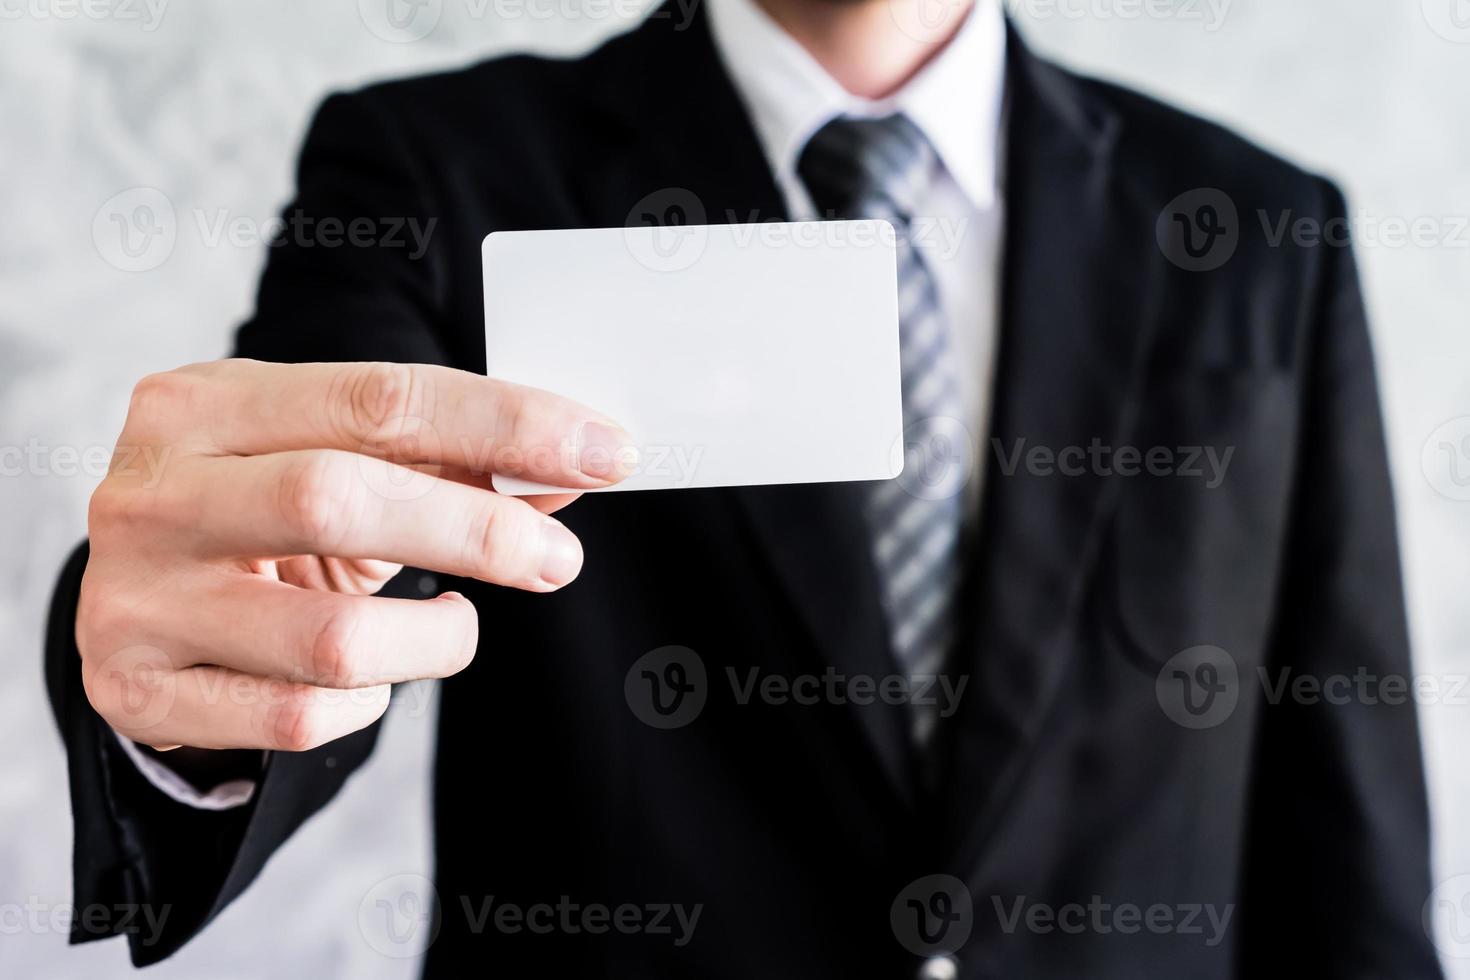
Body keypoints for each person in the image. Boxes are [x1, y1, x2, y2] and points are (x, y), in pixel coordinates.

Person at [46, 0, 1443, 976]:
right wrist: (201, 678)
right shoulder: (438, 170)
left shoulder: (1260, 225)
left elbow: (1346, 803)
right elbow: (299, 550)